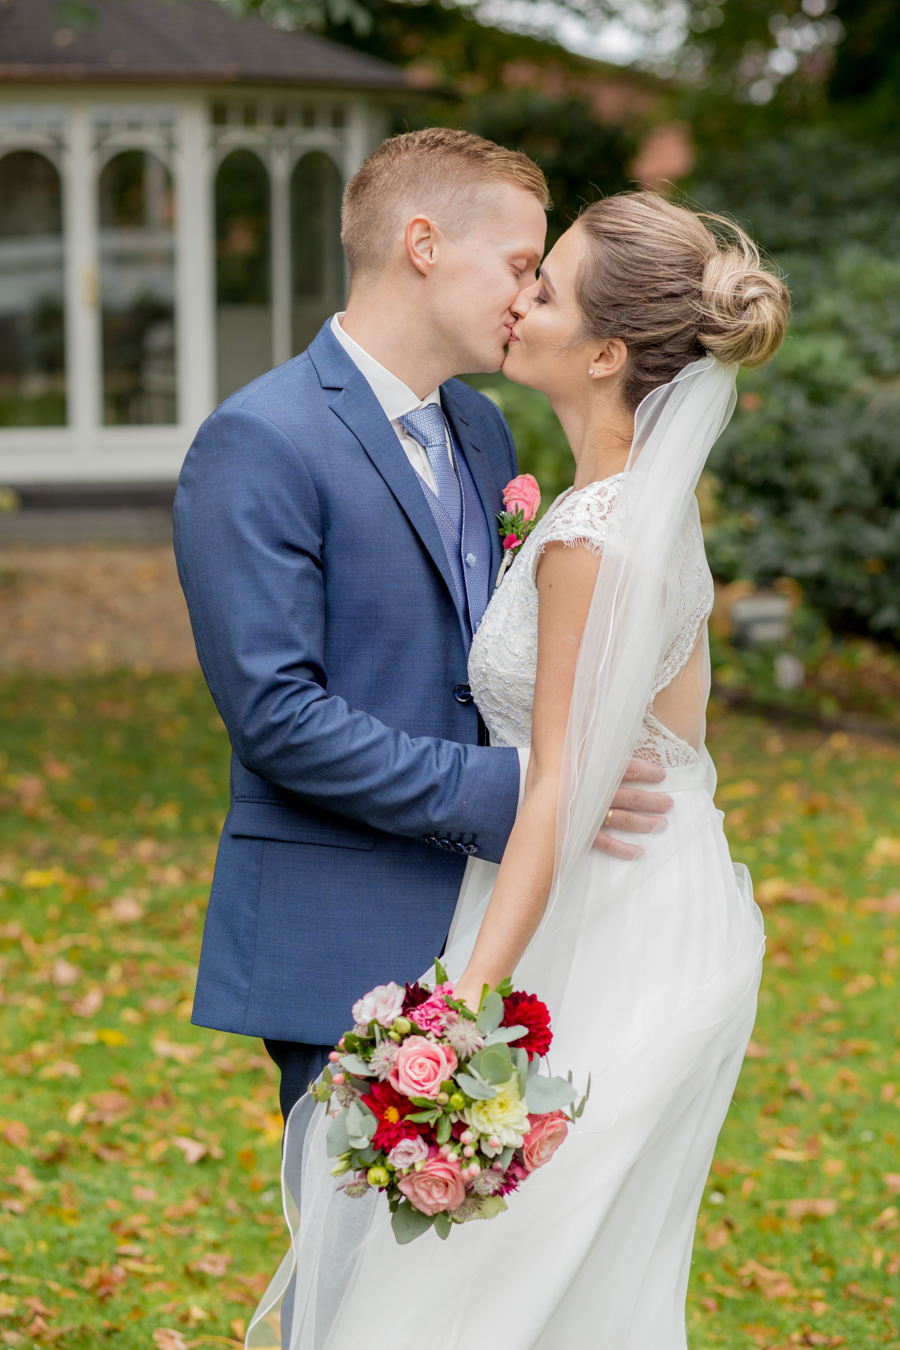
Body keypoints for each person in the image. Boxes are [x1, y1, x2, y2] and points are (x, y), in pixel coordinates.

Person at [249, 191, 790, 1348]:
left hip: (594, 917)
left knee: (492, 1284)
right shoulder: (653, 507)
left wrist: (449, 1017)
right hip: (661, 892)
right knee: (574, 1265)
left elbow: (555, 786)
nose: (518, 297)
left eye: (543, 285)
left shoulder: (594, 533)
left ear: (603, 353)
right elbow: (678, 746)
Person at [173, 129, 673, 1129]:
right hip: (345, 927)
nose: (529, 299)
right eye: (521, 266)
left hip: (500, 916)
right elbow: (275, 717)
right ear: (424, 243)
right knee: (354, 1267)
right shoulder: (259, 440)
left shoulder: (485, 429)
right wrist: (519, 787)